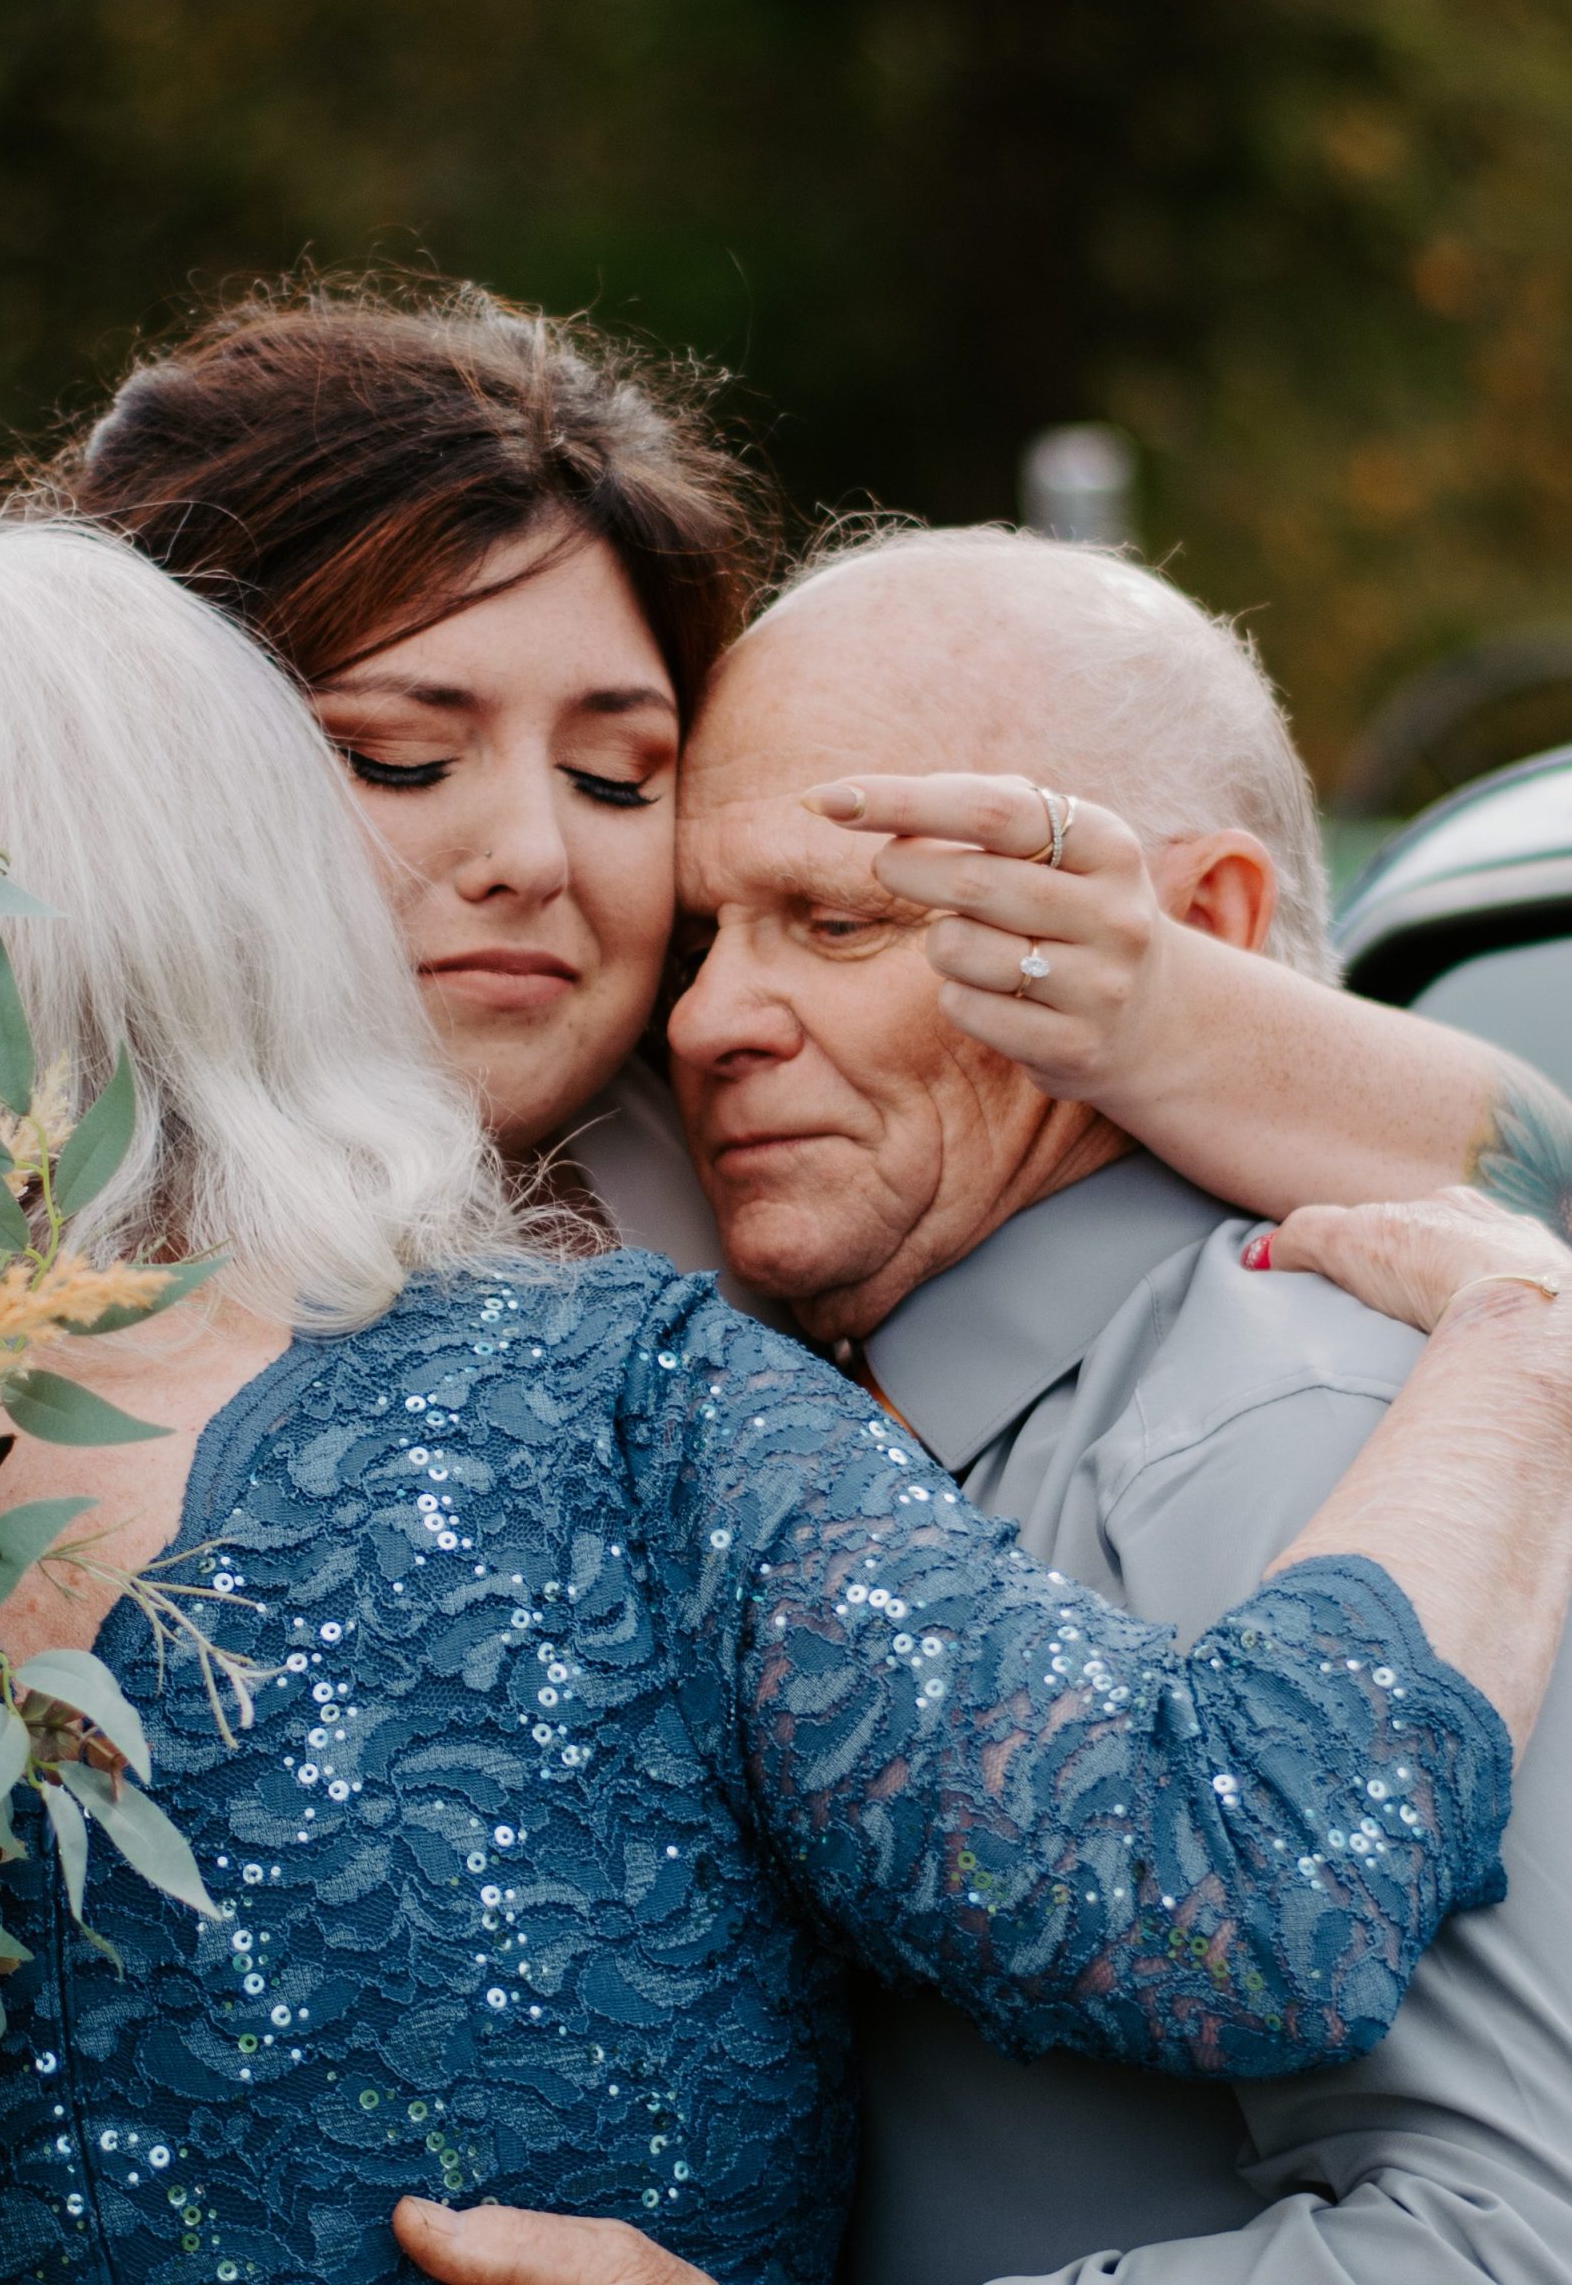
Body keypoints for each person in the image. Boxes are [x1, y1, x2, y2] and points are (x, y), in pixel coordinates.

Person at [0, 516, 1572, 2285]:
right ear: (283, 866)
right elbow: (1247, 1887)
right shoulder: (618, 1362)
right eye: (399, 764)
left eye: (822, 918)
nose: (699, 1009)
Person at [396, 526, 1572, 2285]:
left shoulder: (1303, 1420)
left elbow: (1501, 2242)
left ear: (1202, 936)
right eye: (703, 934)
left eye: (840, 919)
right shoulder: (757, 1367)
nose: (709, 1017)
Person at [39, 274, 1567, 1258]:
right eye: (399, 757)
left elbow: (1534, 1165)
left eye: (618, 778)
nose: (534, 853)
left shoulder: (732, 1128)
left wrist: (1157, 1001)